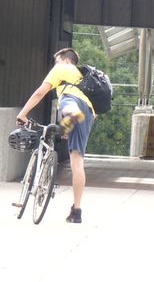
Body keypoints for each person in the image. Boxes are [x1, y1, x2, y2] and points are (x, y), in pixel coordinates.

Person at [16, 48, 95, 224]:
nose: (55, 64)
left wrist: (22, 114)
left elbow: (40, 92)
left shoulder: (62, 68)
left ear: (66, 60)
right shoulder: (82, 76)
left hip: (72, 103)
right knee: (77, 162)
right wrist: (67, 128)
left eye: (57, 61)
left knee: (67, 101)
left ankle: (70, 116)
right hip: (89, 112)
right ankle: (76, 211)